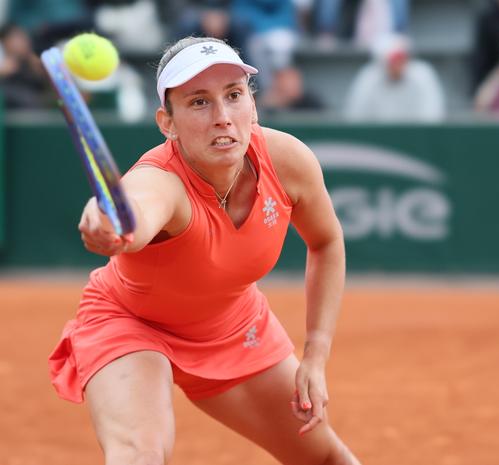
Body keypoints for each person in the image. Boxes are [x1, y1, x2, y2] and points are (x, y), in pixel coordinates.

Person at [48, 36, 360, 465]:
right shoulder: (161, 181)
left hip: (232, 326)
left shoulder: (288, 161)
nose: (223, 118)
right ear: (167, 122)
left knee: (327, 459)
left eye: (233, 96)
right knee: (141, 455)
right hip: (131, 324)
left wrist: (316, 354)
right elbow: (136, 212)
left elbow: (326, 242)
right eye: (199, 102)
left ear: (253, 106)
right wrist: (110, 222)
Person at [344, 34, 445, 122]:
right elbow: (355, 117)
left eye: (402, 58)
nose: (398, 64)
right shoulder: (368, 79)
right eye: (393, 60)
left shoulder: (423, 75)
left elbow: (433, 117)